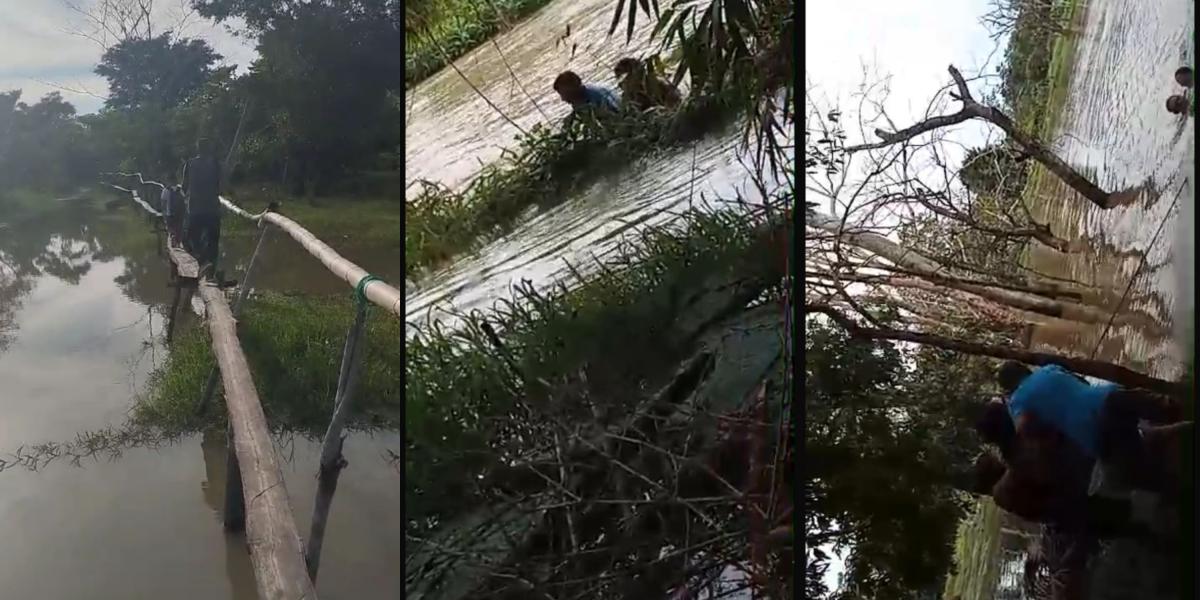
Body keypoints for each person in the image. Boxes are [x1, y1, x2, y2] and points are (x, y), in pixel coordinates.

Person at [996, 361, 1188, 492]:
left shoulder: (1017, 401)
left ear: (1010, 388)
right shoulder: (1048, 369)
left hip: (1095, 433)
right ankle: (1185, 411)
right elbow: (1083, 382)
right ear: (1024, 370)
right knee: (1164, 407)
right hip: (1108, 398)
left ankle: (1180, 488)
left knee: (1141, 474)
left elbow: (1022, 430)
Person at [182, 137, 222, 268]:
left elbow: (184, 186)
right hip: (212, 208)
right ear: (209, 148)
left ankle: (201, 261)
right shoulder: (214, 163)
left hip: (195, 209)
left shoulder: (190, 164)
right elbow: (219, 185)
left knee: (192, 238)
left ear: (197, 149)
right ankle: (211, 268)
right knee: (213, 241)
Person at [553, 70, 619, 129]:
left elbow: (617, 114)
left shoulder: (597, 97)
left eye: (564, 94)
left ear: (573, 88)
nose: (563, 99)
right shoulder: (579, 100)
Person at [614, 57, 681, 111]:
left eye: (624, 79)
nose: (620, 85)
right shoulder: (628, 96)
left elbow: (675, 106)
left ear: (635, 75)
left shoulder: (660, 85)